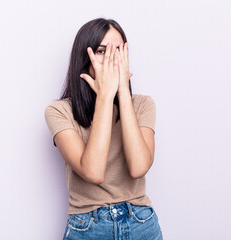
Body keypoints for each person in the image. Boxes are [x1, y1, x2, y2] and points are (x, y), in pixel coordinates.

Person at [45, 18, 163, 240]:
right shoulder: (59, 111)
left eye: (118, 50)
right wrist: (105, 97)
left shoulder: (143, 104)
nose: (112, 58)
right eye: (101, 51)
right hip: (88, 227)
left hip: (141, 222)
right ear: (84, 57)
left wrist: (122, 93)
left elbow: (139, 167)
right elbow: (93, 172)